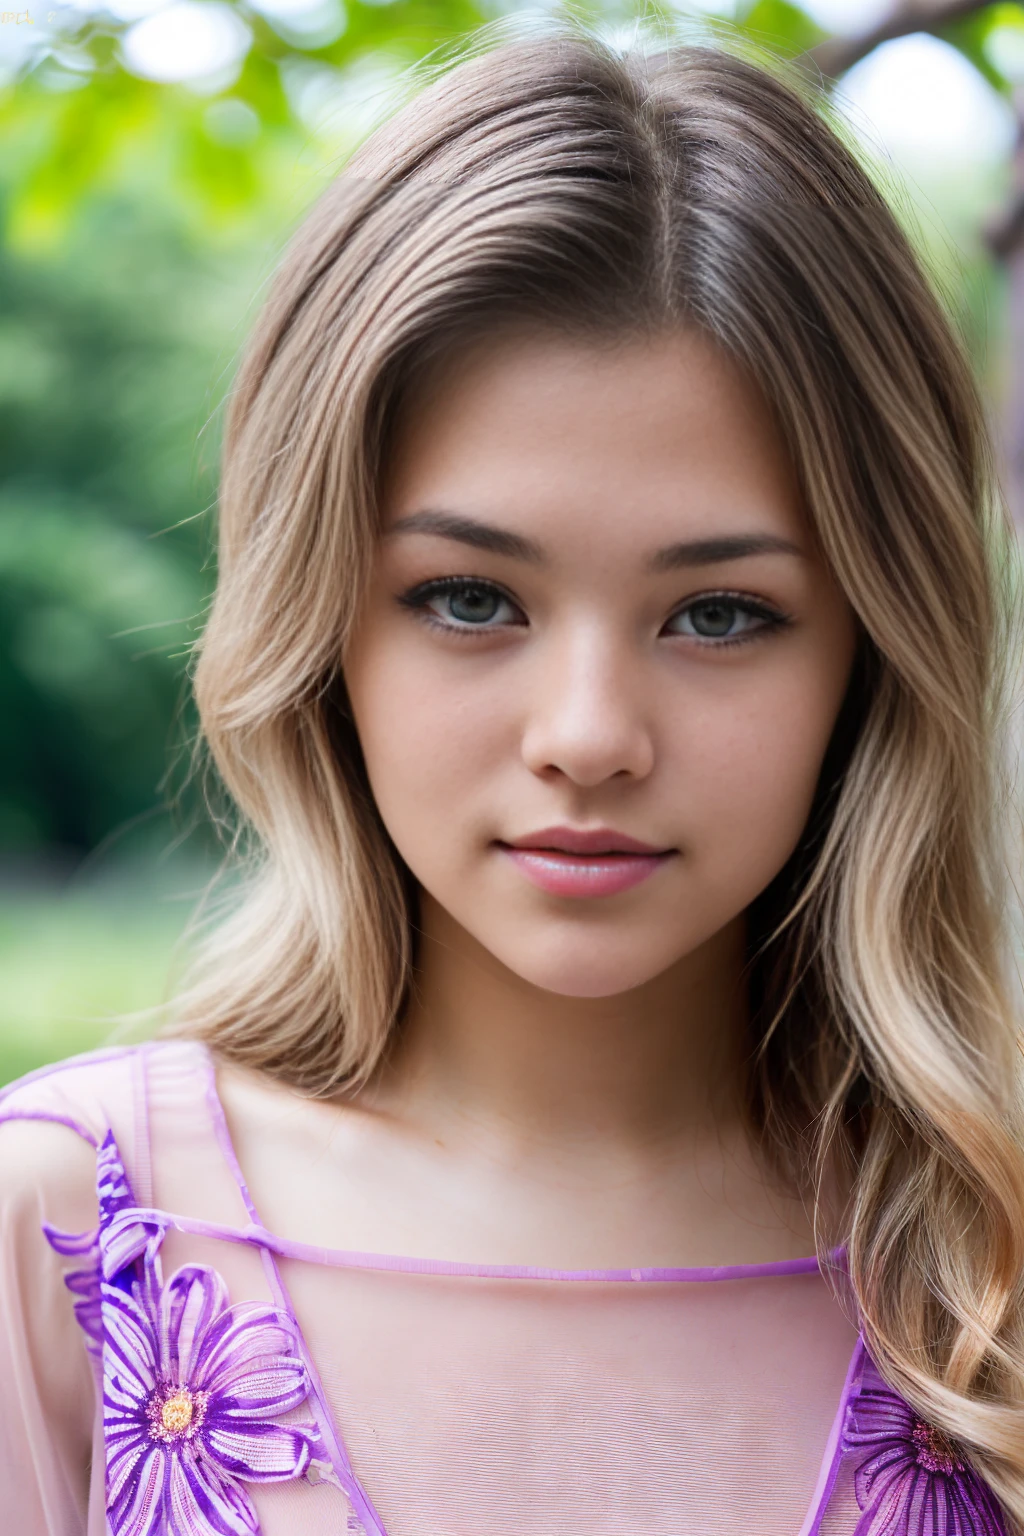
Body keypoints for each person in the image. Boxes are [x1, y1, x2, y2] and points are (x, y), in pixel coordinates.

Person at [3, 27, 1023, 1536]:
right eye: (470, 598)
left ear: (873, 652)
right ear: (318, 616)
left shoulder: (985, 1285)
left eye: (720, 614)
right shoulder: (71, 1237)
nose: (590, 733)